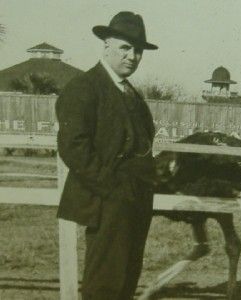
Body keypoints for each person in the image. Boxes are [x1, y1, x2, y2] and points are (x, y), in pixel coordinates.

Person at [55, 11, 158, 300]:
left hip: (136, 201)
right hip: (105, 201)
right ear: (107, 46)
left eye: (138, 50)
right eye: (125, 48)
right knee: (105, 284)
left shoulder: (131, 94)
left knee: (126, 281)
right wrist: (111, 188)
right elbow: (73, 146)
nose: (133, 56)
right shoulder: (84, 88)